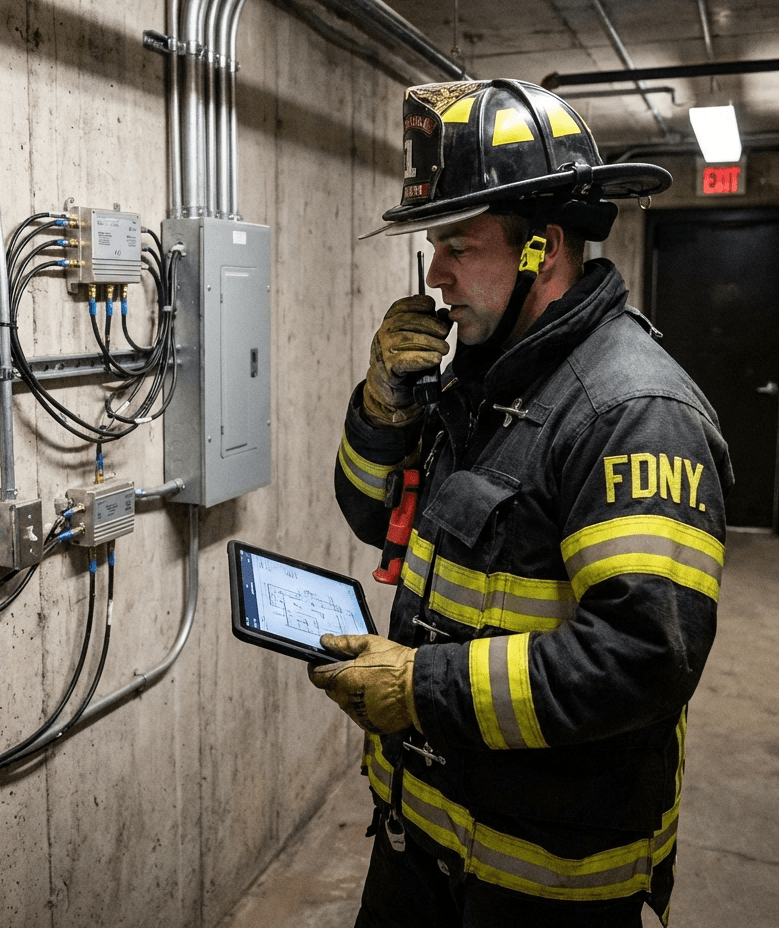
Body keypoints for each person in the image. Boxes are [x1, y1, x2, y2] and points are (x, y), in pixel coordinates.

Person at [308, 79, 734, 927]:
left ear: (541, 247)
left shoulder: (632, 412)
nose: (435, 275)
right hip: (419, 835)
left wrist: (422, 686)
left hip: (542, 883)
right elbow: (367, 515)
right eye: (434, 247)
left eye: (458, 245)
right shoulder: (480, 381)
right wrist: (383, 406)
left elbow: (640, 660)